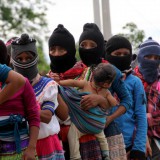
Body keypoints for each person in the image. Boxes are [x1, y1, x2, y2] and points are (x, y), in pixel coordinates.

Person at [11, 33, 65, 160]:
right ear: (13, 60)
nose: (24, 62)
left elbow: (46, 116)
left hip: (46, 144)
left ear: (35, 58)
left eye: (28, 58)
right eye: (19, 59)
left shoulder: (48, 85)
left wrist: (19, 109)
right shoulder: (8, 87)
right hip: (20, 148)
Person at [59, 63, 117, 160]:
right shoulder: (106, 92)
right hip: (95, 126)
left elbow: (73, 83)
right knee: (102, 137)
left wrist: (59, 83)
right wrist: (107, 98)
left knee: (72, 136)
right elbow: (114, 103)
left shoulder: (87, 84)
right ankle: (106, 154)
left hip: (80, 126)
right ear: (106, 84)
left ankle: (75, 156)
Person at [105, 35, 147, 160]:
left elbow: (141, 116)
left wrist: (139, 148)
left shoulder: (135, 82)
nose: (122, 57)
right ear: (108, 55)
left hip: (129, 146)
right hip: (103, 143)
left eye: (125, 54)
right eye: (117, 53)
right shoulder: (100, 80)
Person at [47, 24, 86, 159]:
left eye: (62, 50)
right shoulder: (46, 80)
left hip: (86, 142)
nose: (56, 54)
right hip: (56, 145)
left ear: (70, 51)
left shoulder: (86, 74)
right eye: (52, 50)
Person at [133, 37, 160, 160]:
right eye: (148, 57)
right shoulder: (130, 79)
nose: (152, 61)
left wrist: (146, 118)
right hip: (135, 140)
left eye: (156, 58)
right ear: (140, 58)